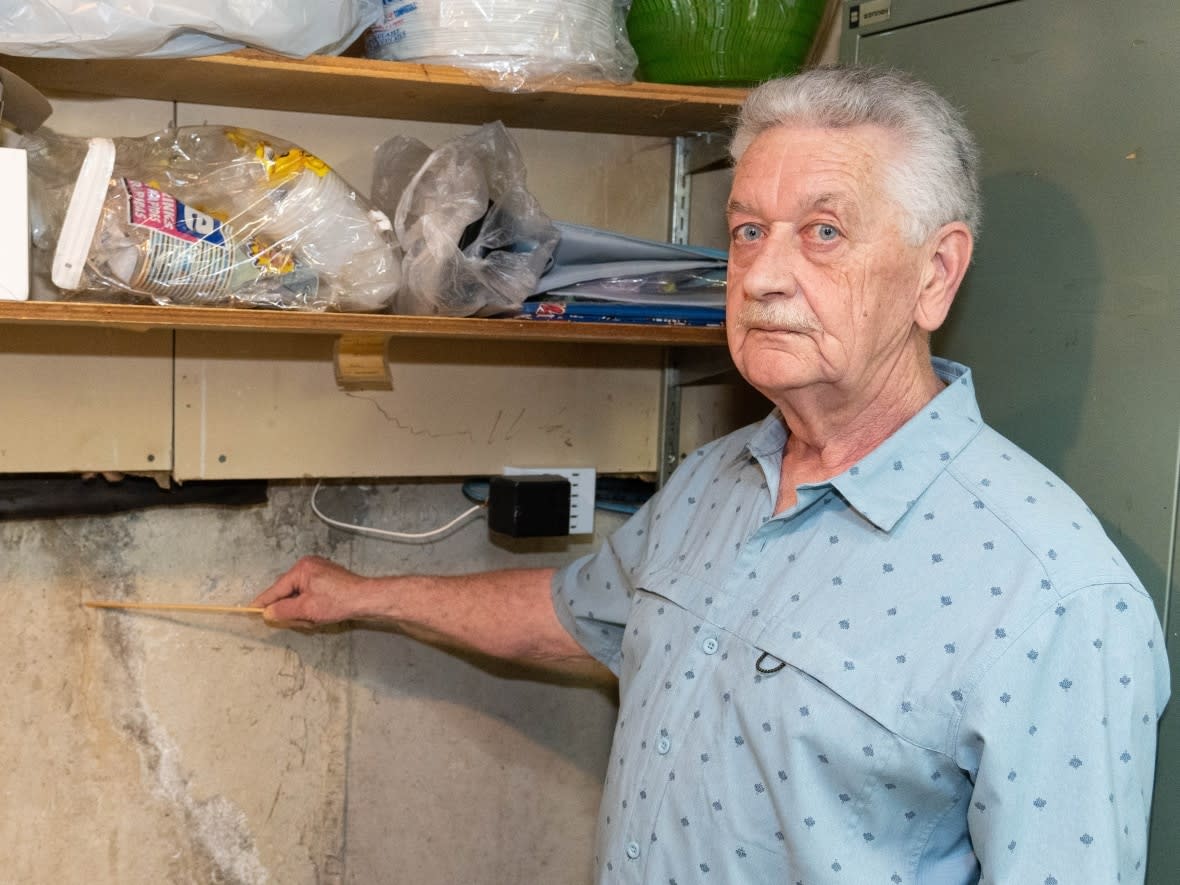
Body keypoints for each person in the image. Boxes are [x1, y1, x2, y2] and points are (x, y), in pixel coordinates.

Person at [252, 65, 1170, 884]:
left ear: (936, 275)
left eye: (822, 231)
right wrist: (362, 594)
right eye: (746, 232)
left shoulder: (1053, 597)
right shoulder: (714, 480)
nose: (763, 275)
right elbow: (578, 615)